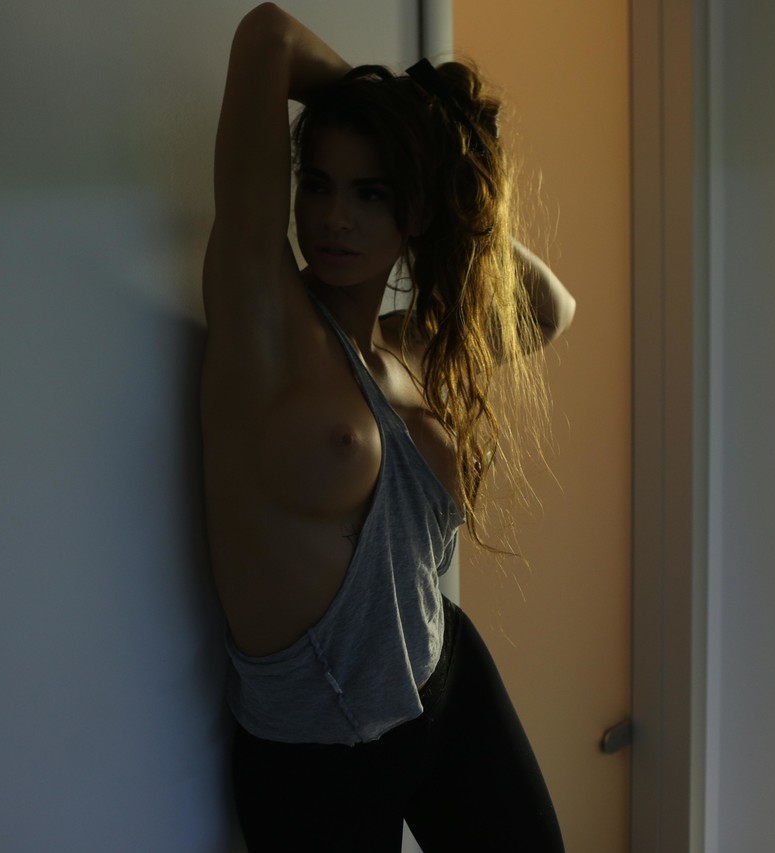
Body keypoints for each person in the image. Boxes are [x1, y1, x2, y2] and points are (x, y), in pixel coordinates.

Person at [201, 4, 575, 850]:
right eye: (318, 184)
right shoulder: (265, 326)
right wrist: (394, 115)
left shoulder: (413, 347)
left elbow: (550, 308)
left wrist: (436, 156)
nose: (334, 217)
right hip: (317, 755)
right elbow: (267, 35)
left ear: (414, 210)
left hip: (444, 679)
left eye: (371, 193)